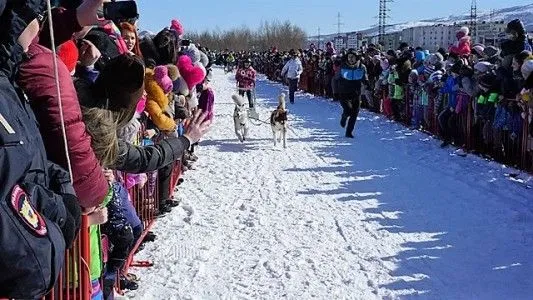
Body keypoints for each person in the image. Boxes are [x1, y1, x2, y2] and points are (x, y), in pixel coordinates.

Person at [336, 49, 368, 138]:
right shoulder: (343, 66)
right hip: (344, 93)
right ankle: (344, 117)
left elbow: (365, 78)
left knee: (354, 113)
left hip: (356, 93)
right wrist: (335, 91)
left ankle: (349, 132)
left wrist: (367, 83)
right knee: (348, 110)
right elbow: (336, 79)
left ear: (356, 58)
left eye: (352, 57)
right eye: (349, 57)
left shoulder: (361, 67)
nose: (350, 59)